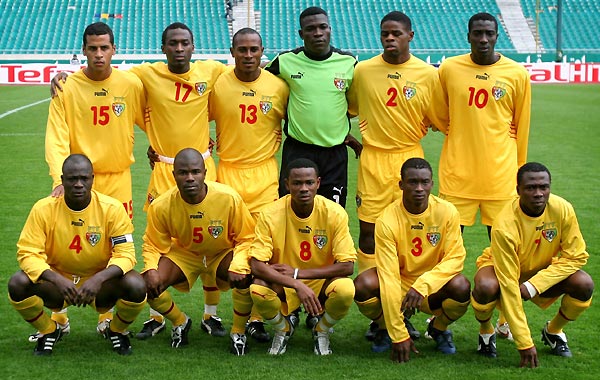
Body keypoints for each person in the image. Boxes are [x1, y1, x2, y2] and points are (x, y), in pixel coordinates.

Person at [52, 22, 230, 340]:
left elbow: (231, 93)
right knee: (147, 245)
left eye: (184, 43)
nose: (99, 54)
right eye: (93, 48)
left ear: (193, 45)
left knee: (209, 239)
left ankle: (211, 313)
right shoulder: (140, 77)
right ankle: (152, 315)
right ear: (162, 47)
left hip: (196, 167)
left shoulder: (212, 71)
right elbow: (143, 113)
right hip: (135, 174)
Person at [346, 11, 447, 340]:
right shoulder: (363, 71)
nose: (390, 39)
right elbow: (346, 109)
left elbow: (439, 119)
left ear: (410, 36)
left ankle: (405, 303)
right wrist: (351, 140)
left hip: (409, 159)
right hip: (373, 159)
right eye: (385, 33)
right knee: (368, 232)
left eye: (396, 34)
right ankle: (377, 314)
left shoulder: (427, 75)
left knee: (408, 233)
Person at [43, 21, 145, 340]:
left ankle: (105, 314)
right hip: (77, 182)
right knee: (60, 244)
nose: (99, 54)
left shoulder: (131, 84)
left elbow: (156, 116)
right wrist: (58, 177)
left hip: (118, 179)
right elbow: (57, 137)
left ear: (114, 50)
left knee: (112, 249)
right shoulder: (67, 87)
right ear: (83, 51)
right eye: (92, 48)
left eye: (104, 48)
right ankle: (59, 316)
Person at [435, 11, 531, 339]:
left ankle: (503, 319)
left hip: (501, 179)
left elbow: (522, 126)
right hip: (457, 175)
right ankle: (440, 319)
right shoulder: (449, 69)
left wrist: (518, 174)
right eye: (478, 33)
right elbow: (439, 114)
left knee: (506, 253)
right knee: (445, 252)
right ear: (468, 35)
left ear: (497, 35)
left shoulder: (516, 74)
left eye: (489, 33)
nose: (484, 39)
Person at [8, 154, 147, 356]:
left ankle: (116, 330)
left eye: (84, 178)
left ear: (92, 178)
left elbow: (126, 254)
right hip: (58, 284)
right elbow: (27, 253)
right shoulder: (43, 209)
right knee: (18, 283)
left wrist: (99, 279)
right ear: (62, 180)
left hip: (100, 285)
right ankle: (48, 331)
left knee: (136, 284)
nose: (79, 184)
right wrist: (56, 279)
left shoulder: (112, 208)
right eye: (72, 179)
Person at [470, 162, 594, 367]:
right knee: (485, 286)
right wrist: (524, 343)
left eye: (543, 187)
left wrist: (534, 285)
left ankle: (553, 331)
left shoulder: (562, 209)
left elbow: (576, 256)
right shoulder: (504, 224)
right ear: (518, 190)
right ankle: (486, 331)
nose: (538, 193)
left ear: (549, 187)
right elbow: (509, 284)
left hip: (541, 269)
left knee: (583, 283)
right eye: (530, 188)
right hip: (502, 268)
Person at [209, 27, 289, 342]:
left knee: (262, 248)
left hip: (265, 175)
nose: (248, 55)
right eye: (242, 49)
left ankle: (256, 317)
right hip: (227, 173)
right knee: (229, 250)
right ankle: (224, 314)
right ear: (232, 51)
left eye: (253, 49)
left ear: (262, 50)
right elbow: (193, 116)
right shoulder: (218, 84)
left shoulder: (278, 87)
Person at [353, 158, 470, 361]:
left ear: (432, 184)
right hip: (399, 282)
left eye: (424, 182)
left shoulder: (447, 211)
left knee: (461, 285)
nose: (419, 188)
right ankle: (385, 328)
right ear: (401, 185)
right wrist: (399, 335)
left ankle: (439, 328)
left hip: (432, 285)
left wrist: (424, 284)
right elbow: (388, 277)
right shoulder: (387, 219)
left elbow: (456, 258)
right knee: (363, 284)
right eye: (412, 182)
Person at [141, 148, 256, 355]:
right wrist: (150, 269)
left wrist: (238, 265)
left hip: (219, 252)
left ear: (205, 172)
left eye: (195, 171)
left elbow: (247, 237)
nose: (190, 178)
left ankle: (238, 331)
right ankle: (180, 321)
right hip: (185, 254)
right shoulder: (160, 206)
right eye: (183, 173)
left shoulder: (228, 198)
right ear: (173, 174)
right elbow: (152, 244)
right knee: (148, 284)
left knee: (246, 276)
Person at [249, 158, 356, 355]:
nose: (304, 188)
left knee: (346, 289)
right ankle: (283, 329)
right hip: (285, 282)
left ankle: (321, 330)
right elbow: (256, 265)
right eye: (297, 183)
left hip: (319, 281)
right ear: (286, 184)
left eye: (309, 182)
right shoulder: (270, 214)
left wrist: (298, 274)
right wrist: (296, 283)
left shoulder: (334, 213)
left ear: (318, 183)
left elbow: (347, 266)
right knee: (257, 288)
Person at [265, 6, 362, 209]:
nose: (317, 33)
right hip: (299, 150)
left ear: (329, 29)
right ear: (301, 34)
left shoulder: (348, 62)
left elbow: (353, 102)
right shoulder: (285, 61)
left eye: (322, 27)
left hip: (334, 153)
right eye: (310, 29)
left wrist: (340, 129)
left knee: (333, 213)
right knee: (291, 212)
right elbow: (259, 84)